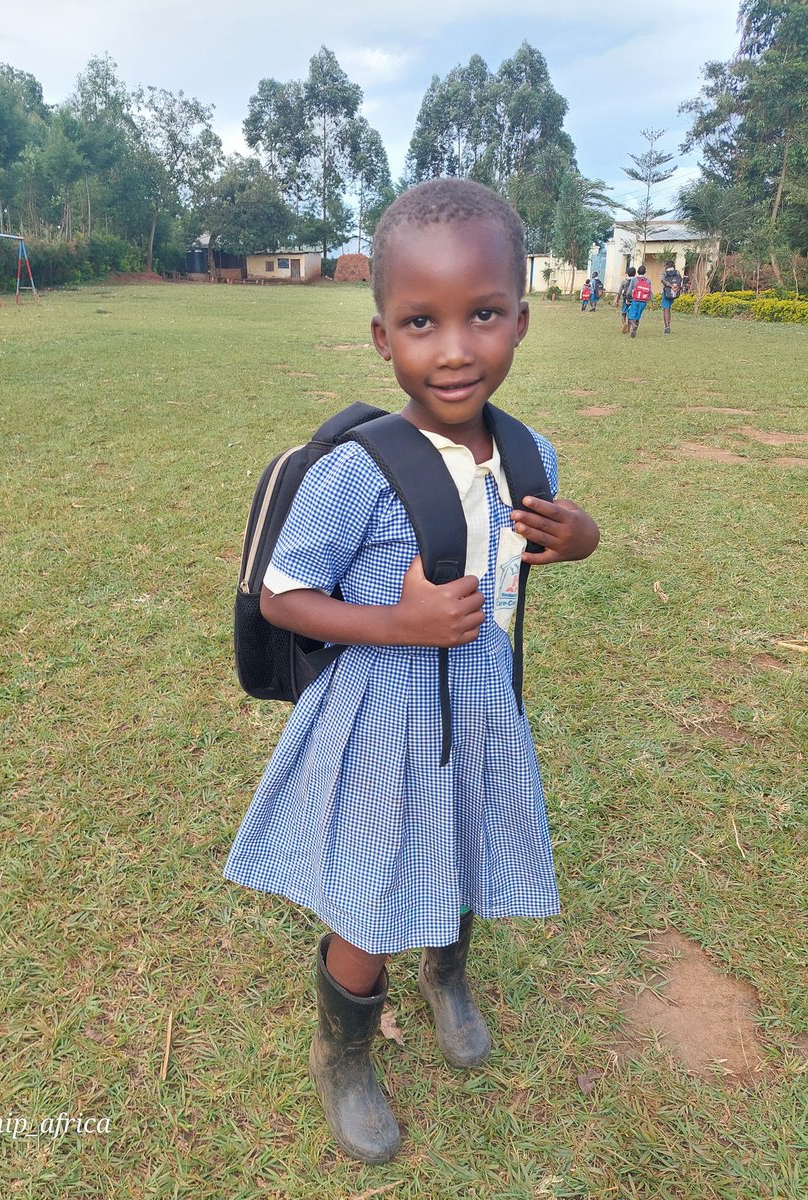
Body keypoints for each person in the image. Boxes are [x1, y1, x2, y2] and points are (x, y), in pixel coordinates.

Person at [224, 178, 600, 1165]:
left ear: (520, 317)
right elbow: (281, 596)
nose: (455, 348)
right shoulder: (359, 469)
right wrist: (397, 621)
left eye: (482, 315)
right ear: (383, 338)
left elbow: (540, 548)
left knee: (466, 849)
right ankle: (344, 1056)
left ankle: (447, 976)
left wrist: (582, 535)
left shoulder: (530, 454)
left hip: (479, 712)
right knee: (367, 895)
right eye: (421, 321)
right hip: (378, 727)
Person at [626, 264, 652, 338]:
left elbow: (629, 291)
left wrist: (628, 297)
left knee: (631, 315)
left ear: (637, 272)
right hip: (643, 301)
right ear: (645, 272)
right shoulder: (648, 281)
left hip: (635, 300)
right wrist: (653, 301)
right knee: (638, 316)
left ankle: (633, 325)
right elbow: (650, 292)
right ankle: (635, 330)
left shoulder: (634, 280)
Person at [660, 260, 684, 334]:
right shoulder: (677, 272)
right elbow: (680, 280)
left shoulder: (665, 273)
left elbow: (662, 280)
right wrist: (677, 288)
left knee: (666, 309)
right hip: (675, 293)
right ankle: (668, 325)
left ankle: (667, 327)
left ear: (666, 266)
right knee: (669, 308)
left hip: (667, 292)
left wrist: (670, 286)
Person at [615, 265, 637, 334]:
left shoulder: (624, 281)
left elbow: (619, 291)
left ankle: (624, 324)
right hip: (634, 299)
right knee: (631, 314)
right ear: (635, 273)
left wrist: (617, 300)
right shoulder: (636, 281)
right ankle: (629, 327)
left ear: (627, 273)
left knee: (623, 313)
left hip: (625, 299)